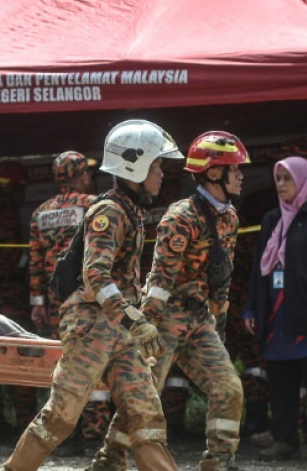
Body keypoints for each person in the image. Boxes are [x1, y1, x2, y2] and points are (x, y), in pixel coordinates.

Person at [3, 119, 181, 471]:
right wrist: (136, 320)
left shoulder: (129, 208)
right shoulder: (109, 211)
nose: (162, 172)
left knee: (146, 415)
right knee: (61, 416)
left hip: (119, 328)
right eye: (157, 164)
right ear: (135, 164)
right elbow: (95, 275)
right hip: (91, 326)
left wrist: (133, 321)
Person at [89, 131, 249, 471]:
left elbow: (221, 279)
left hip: (200, 319)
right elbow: (159, 281)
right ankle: (110, 460)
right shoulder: (182, 216)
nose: (241, 175)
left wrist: (217, 325)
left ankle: (219, 461)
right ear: (214, 172)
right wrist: (145, 328)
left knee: (228, 388)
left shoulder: (230, 217)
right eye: (235, 168)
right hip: (165, 319)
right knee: (146, 393)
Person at [244, 155, 307, 464]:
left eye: (287, 179)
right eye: (277, 179)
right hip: (276, 314)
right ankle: (285, 440)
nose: (280, 185)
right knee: (280, 382)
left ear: (304, 180)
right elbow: (258, 271)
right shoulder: (271, 220)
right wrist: (252, 308)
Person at [28, 151, 109, 453]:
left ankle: (63, 435)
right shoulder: (95, 205)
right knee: (95, 363)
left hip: (55, 303)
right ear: (81, 175)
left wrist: (37, 302)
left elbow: (36, 263)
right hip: (91, 298)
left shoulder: (40, 213)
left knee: (62, 365)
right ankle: (94, 434)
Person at [0, 160, 35, 435]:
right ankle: (26, 420)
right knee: (20, 356)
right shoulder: (7, 213)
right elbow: (13, 257)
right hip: (9, 294)